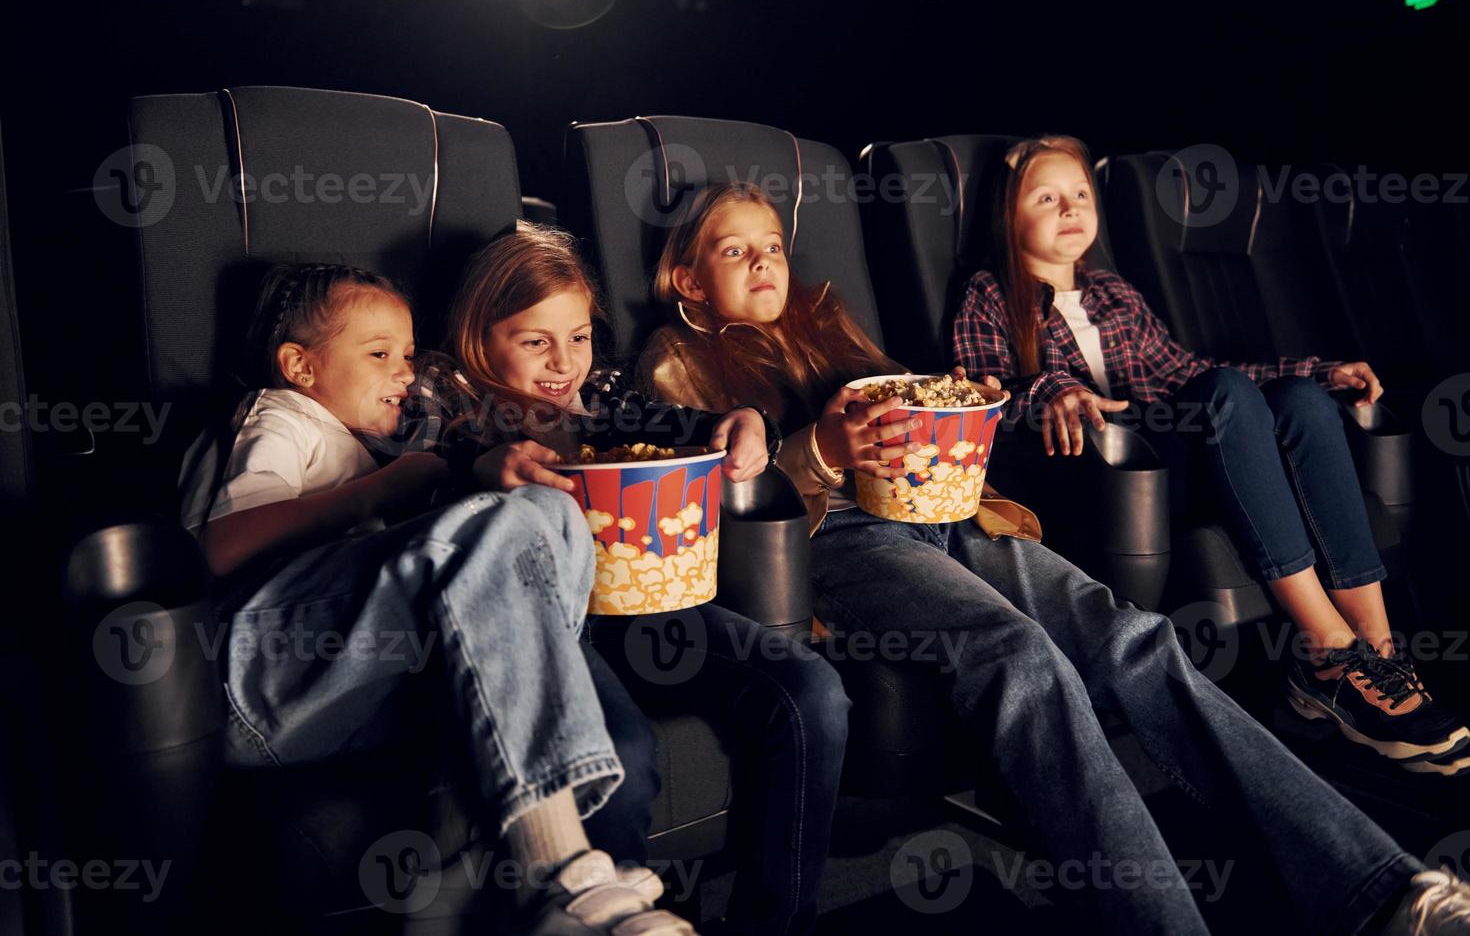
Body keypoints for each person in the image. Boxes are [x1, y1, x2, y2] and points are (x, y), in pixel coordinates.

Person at [636, 180, 1470, 935]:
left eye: (773, 244)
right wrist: (815, 445)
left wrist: (944, 421)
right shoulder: (677, 361)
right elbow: (705, 495)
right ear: (688, 280)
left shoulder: (823, 320)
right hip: (839, 543)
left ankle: (1379, 888)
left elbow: (922, 396)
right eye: (734, 250)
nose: (764, 261)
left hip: (954, 513)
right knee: (1020, 656)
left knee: (1134, 637)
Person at [179, 262, 692, 935]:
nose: (403, 373)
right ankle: (560, 875)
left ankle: (468, 867)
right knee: (485, 528)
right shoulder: (280, 415)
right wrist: (377, 492)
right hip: (254, 679)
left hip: (347, 687)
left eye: (409, 355)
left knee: (546, 507)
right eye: (379, 355)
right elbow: (215, 550)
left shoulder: (362, 449)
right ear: (299, 366)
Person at [951, 134, 1468, 773]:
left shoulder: (1115, 295)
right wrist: (1048, 390)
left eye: (1080, 194)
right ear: (1009, 215)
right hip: (1104, 477)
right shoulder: (989, 295)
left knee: (1302, 401)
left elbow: (1187, 373)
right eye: (1047, 197)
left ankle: (1378, 652)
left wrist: (1316, 370)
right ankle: (1327, 654)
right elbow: (977, 391)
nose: (1071, 209)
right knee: (1224, 393)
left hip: (1174, 451)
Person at [404, 223, 850, 936]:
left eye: (578, 337)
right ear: (477, 337)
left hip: (640, 605)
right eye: (534, 341)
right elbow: (407, 486)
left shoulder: (601, 394)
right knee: (621, 750)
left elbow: (687, 426)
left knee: (812, 694)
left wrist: (744, 422)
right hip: (529, 627)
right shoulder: (443, 394)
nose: (563, 363)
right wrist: (477, 470)